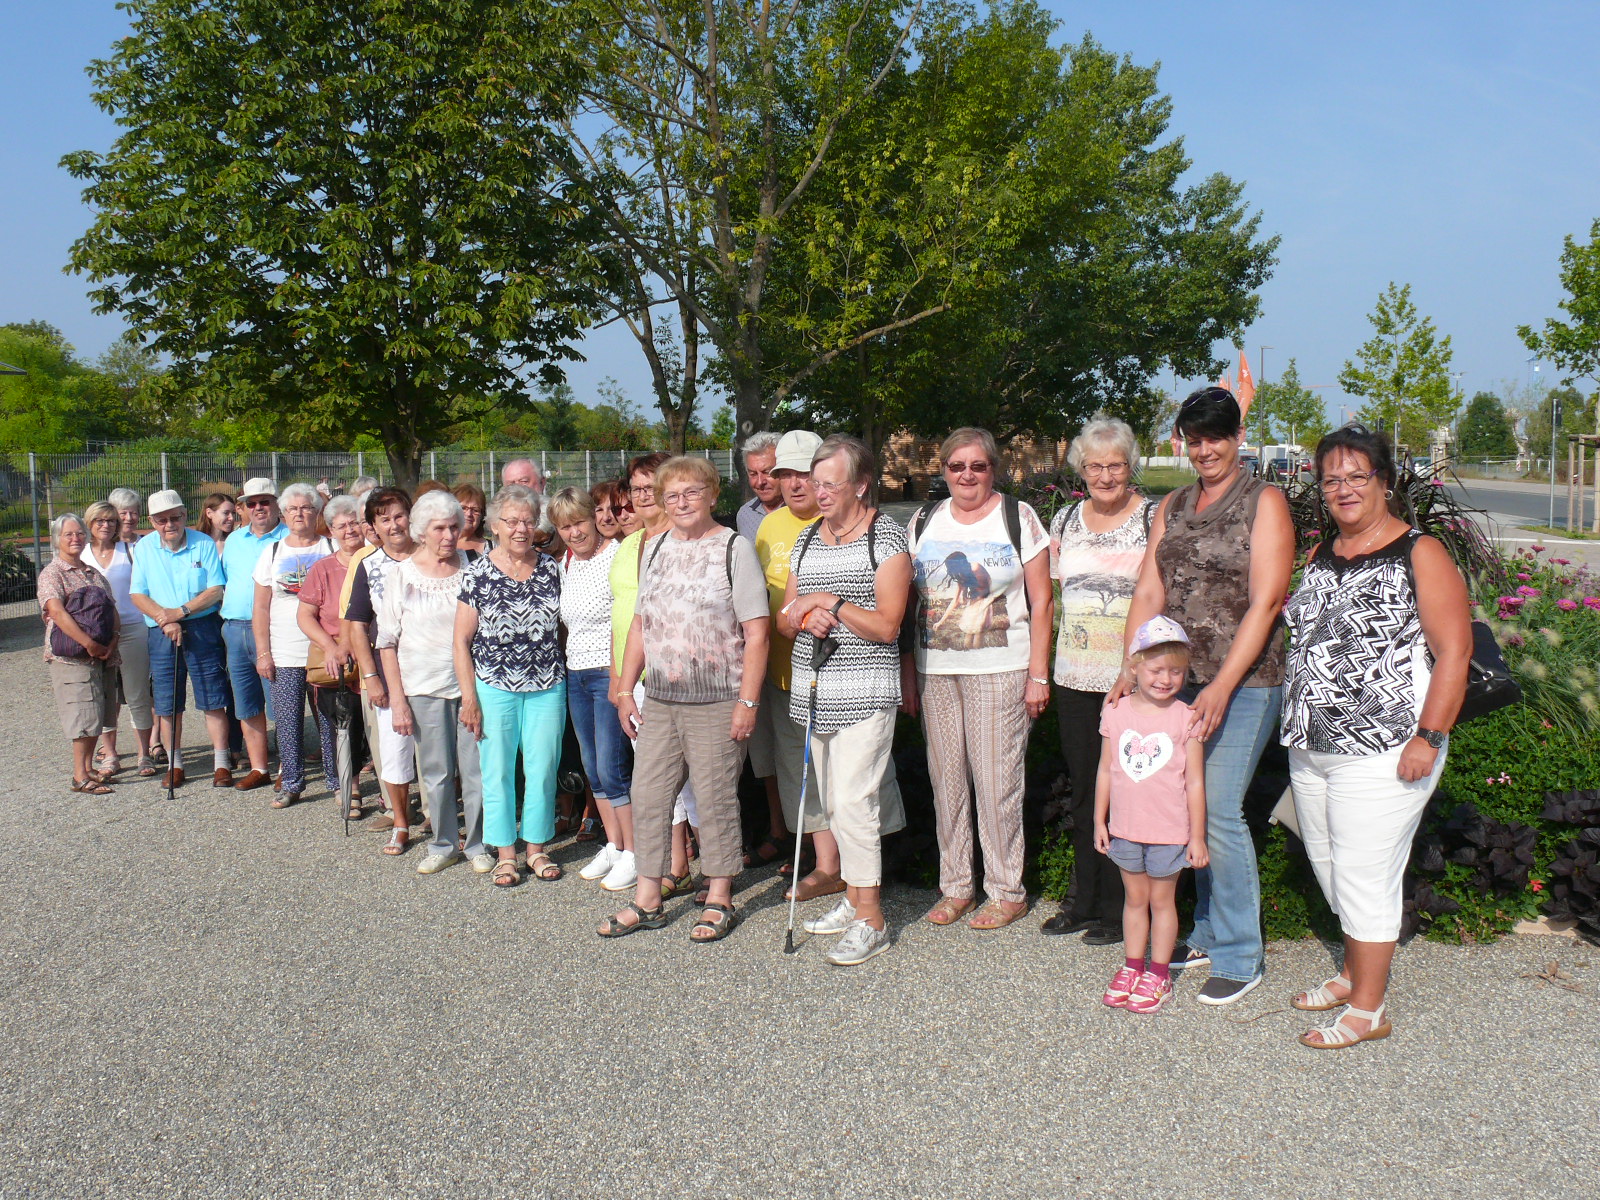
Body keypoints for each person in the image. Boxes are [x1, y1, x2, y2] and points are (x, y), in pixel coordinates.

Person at [1281, 425, 1471, 1048]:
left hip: (1386, 748)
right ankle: (1352, 972)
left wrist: (1431, 737)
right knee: (1330, 864)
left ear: (1385, 483)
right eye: (1332, 479)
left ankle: (1369, 1009)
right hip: (1313, 747)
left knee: (1365, 874)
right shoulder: (1322, 552)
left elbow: (1454, 652)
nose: (1343, 489)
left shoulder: (1421, 552)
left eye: (1357, 476)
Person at [1118, 386, 1295, 1005]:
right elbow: (1149, 590)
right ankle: (1207, 931)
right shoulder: (1173, 503)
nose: (1204, 449)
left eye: (1215, 436)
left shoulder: (1263, 500)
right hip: (1176, 681)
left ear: (1237, 436)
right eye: (1194, 439)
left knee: (1217, 811)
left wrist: (1222, 685)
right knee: (1179, 810)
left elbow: (1268, 599)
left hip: (1246, 682)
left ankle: (1242, 953)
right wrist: (1129, 666)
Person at [602, 456, 769, 939]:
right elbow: (640, 624)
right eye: (671, 495)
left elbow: (757, 633)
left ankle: (719, 896)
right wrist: (624, 688)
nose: (680, 503)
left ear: (713, 495)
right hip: (662, 697)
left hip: (718, 698)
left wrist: (748, 702)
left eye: (691, 493)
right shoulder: (654, 549)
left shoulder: (733, 549)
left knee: (716, 799)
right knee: (649, 795)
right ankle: (648, 898)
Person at [906, 427, 1054, 930]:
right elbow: (911, 603)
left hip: (1001, 669)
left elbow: (1042, 601)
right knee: (946, 784)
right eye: (956, 466)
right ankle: (956, 887)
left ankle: (1007, 889)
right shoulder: (925, 519)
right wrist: (909, 671)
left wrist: (1039, 673)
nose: (967, 475)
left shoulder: (1018, 517)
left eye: (978, 466)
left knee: (997, 785)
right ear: (943, 469)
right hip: (937, 671)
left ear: (994, 469)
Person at [780, 436, 912, 966]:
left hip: (867, 690)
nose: (819, 492)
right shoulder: (808, 538)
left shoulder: (888, 537)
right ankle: (854, 898)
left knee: (856, 800)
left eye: (830, 483)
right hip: (817, 688)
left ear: (860, 484)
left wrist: (829, 601)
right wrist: (802, 615)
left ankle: (871, 917)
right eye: (816, 482)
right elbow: (786, 613)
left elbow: (886, 625)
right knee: (833, 801)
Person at [1042, 414, 1155, 944]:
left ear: (1130, 466)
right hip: (1074, 675)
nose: (1106, 477)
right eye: (1095, 467)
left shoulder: (1153, 517)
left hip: (1134, 680)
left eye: (1115, 466)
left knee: (1133, 791)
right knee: (1086, 790)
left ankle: (1120, 907)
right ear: (1080, 469)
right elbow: (1049, 596)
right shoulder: (1065, 520)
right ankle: (1082, 900)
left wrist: (1139, 668)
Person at [1094, 617, 1208, 1014]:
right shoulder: (1116, 712)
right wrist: (1099, 821)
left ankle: (1158, 973)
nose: (1166, 678)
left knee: (1162, 902)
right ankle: (1131, 966)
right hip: (1125, 829)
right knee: (1134, 900)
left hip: (1170, 832)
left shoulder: (1186, 717)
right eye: (1156, 669)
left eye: (1176, 671)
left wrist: (1197, 837)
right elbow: (1106, 770)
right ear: (1134, 669)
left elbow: (1194, 782)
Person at [454, 485, 567, 888]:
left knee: (541, 769)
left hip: (547, 685)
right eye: (512, 521)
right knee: (497, 770)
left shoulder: (553, 568)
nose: (521, 529)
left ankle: (535, 849)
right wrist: (469, 697)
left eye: (528, 521)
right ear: (495, 525)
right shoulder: (477, 573)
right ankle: (504, 853)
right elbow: (460, 642)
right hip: (494, 686)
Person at [377, 490, 493, 876]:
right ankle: (443, 843)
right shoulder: (402, 575)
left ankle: (476, 842)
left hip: (470, 687)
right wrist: (398, 700)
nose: (448, 535)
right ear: (421, 532)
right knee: (437, 772)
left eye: (454, 527)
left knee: (475, 769)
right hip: (422, 687)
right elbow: (387, 642)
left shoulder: (473, 567)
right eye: (439, 528)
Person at [607, 452, 695, 891]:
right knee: (657, 778)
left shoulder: (681, 542)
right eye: (636, 488)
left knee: (694, 778)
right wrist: (618, 680)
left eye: (649, 488)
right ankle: (675, 861)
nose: (642, 496)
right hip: (636, 680)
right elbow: (621, 614)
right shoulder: (627, 546)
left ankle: (709, 862)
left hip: (676, 676)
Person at [552, 488, 635, 886]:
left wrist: (623, 680)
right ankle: (615, 845)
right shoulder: (565, 562)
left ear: (594, 518)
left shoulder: (617, 556)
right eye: (564, 527)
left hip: (609, 671)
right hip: (576, 673)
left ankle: (636, 852)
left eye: (579, 522)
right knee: (592, 768)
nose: (573, 533)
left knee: (612, 765)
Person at [128, 489, 232, 789]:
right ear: (152, 521)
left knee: (212, 698)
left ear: (185, 515)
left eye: (175, 517)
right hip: (161, 632)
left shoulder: (203, 542)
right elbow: (137, 593)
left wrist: (179, 612)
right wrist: (165, 618)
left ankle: (221, 763)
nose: (169, 524)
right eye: (161, 520)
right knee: (167, 702)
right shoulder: (145, 548)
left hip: (201, 626)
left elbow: (215, 589)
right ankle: (175, 764)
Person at [343, 487, 420, 854]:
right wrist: (370, 676)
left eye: (399, 515)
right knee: (395, 750)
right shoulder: (369, 565)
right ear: (373, 526)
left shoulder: (434, 556)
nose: (394, 525)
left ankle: (444, 818)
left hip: (435, 668)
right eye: (384, 519)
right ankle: (401, 823)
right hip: (389, 675)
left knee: (444, 751)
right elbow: (357, 625)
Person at [252, 483, 335, 807]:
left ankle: (336, 780)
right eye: (293, 508)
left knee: (329, 719)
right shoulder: (272, 553)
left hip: (323, 650)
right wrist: (264, 652)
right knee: (288, 721)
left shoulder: (330, 547)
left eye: (306, 508)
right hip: (285, 650)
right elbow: (260, 607)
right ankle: (292, 782)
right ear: (284, 514)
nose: (300, 513)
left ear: (317, 512)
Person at [297, 495, 368, 820]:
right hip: (338, 659)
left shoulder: (375, 559)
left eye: (354, 522)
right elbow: (305, 615)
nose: (350, 529)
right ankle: (348, 785)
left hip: (373, 650)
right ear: (332, 531)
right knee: (343, 723)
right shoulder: (323, 569)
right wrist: (329, 646)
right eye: (342, 525)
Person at [39, 514, 121, 794]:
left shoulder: (92, 573)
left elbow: (112, 608)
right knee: (82, 716)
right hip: (72, 657)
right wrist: (89, 643)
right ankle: (79, 775)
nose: (75, 539)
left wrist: (113, 640)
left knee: (97, 714)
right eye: (68, 535)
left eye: (79, 534)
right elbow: (57, 612)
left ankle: (87, 768)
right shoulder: (53, 573)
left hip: (101, 655)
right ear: (57, 540)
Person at [220, 478, 287, 792]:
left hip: (274, 630)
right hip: (235, 629)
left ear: (276, 504)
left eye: (265, 501)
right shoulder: (234, 540)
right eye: (252, 503)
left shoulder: (290, 538)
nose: (258, 508)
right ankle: (259, 766)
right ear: (243, 507)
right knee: (246, 703)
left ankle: (289, 765)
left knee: (282, 703)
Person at [83, 500, 153, 777]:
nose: (106, 525)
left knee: (137, 693)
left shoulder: (131, 551)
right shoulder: (83, 555)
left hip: (133, 628)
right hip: (97, 634)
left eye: (111, 520)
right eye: (100, 520)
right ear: (90, 523)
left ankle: (144, 754)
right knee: (104, 696)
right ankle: (109, 754)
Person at [736, 431, 783, 542]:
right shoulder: (746, 515)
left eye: (767, 472)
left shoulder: (802, 511)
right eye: (753, 474)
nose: (760, 482)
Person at [454, 482, 489, 556]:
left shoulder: (493, 549)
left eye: (475, 510)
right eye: (463, 508)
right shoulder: (441, 544)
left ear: (482, 515)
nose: (469, 514)